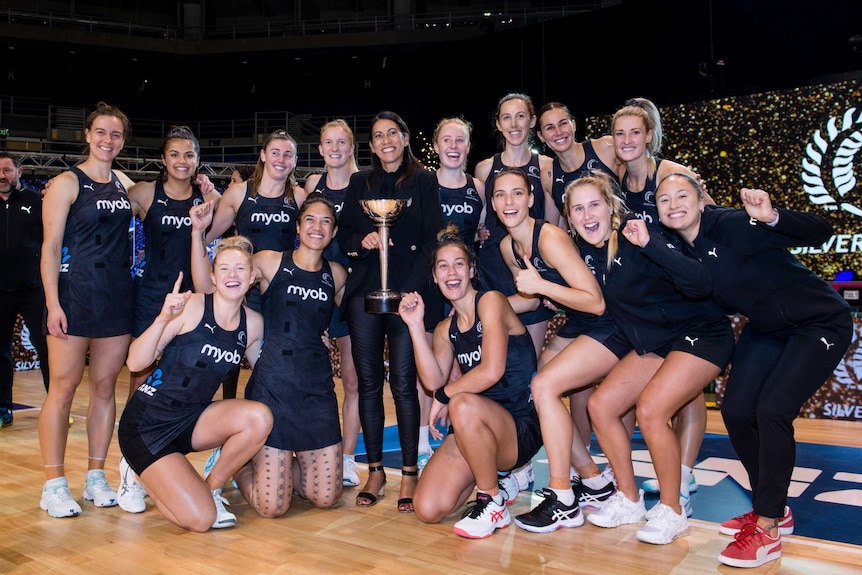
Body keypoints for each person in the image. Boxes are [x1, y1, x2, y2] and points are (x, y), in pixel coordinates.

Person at [654, 173, 852, 567]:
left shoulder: (730, 224)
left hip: (819, 323)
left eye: (681, 195)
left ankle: (767, 526)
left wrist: (772, 216)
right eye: (664, 200)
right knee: (737, 411)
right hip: (767, 329)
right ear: (657, 212)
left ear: (700, 200)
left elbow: (823, 229)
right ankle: (773, 505)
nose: (674, 204)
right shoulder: (679, 250)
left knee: (772, 410)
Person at [564, 172, 734, 546]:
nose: (587, 214)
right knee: (601, 405)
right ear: (570, 218)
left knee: (652, 410)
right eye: (578, 209)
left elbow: (699, 283)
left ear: (611, 208)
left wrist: (649, 244)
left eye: (594, 204)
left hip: (701, 334)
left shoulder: (635, 235)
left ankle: (673, 510)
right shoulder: (585, 253)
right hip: (658, 343)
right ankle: (628, 498)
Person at [476, 167, 618, 534]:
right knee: (535, 391)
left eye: (517, 193)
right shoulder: (509, 246)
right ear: (492, 202)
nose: (508, 201)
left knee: (544, 387)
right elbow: (529, 298)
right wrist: (484, 308)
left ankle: (562, 497)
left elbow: (595, 301)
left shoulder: (550, 238)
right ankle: (594, 481)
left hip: (610, 322)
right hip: (579, 323)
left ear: (530, 199)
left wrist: (544, 287)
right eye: (500, 195)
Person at [191, 194, 347, 517]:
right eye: (310, 220)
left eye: (326, 222)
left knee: (326, 497)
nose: (317, 227)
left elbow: (347, 321)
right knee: (272, 507)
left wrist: (329, 337)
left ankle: (277, 470)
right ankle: (237, 463)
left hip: (316, 391)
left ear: (333, 232)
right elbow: (209, 285)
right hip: (273, 386)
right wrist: (197, 235)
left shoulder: (338, 275)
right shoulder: (269, 262)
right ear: (297, 225)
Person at [117, 238, 271, 531]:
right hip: (147, 425)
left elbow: (266, 370)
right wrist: (163, 319)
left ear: (251, 278)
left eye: (240, 269)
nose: (232, 275)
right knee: (201, 521)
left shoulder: (253, 324)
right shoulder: (190, 306)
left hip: (191, 420)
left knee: (259, 417)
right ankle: (139, 471)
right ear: (213, 277)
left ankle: (211, 488)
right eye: (224, 269)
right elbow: (135, 364)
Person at [401, 224, 542, 539]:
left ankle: (491, 499)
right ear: (435, 278)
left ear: (471, 269)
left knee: (461, 402)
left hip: (519, 428)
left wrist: (444, 396)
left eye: (459, 264)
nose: (451, 272)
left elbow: (491, 371)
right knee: (427, 508)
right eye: (443, 267)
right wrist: (414, 325)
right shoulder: (444, 329)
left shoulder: (491, 302)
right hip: (474, 425)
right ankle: (498, 482)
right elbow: (432, 380)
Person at [338, 111, 442, 513]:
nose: (386, 141)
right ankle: (376, 471)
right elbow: (344, 232)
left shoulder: (424, 180)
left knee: (402, 383)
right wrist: (360, 241)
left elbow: (433, 238)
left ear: (404, 137)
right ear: (372, 144)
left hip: (409, 294)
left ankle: (410, 472)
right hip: (365, 292)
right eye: (378, 135)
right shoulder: (357, 183)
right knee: (367, 383)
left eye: (392, 133)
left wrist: (410, 292)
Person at [37, 102, 138, 518]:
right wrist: (52, 303)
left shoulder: (125, 183)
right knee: (61, 391)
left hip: (116, 298)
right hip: (75, 296)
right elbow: (48, 250)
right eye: (101, 132)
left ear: (122, 141)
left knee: (104, 390)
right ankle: (53, 483)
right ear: (87, 135)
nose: (107, 140)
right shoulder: (65, 183)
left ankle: (96, 475)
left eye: (115, 134)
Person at [613, 97, 713, 507]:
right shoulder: (619, 178)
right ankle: (671, 473)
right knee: (667, 395)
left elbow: (705, 220)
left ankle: (684, 476)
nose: (627, 140)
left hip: (689, 296)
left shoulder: (673, 175)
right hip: (654, 303)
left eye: (636, 132)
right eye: (620, 133)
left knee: (688, 393)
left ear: (650, 136)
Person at [200, 129, 306, 477]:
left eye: (288, 155)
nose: (281, 160)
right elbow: (208, 235)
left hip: (285, 302)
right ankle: (229, 446)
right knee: (254, 371)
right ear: (263, 155)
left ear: (294, 161)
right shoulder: (240, 193)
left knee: (279, 373)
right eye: (275, 153)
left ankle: (273, 446)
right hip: (247, 301)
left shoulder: (298, 197)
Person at [534, 101, 623, 488]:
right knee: (546, 385)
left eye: (563, 123)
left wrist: (691, 191)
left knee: (618, 399)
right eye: (549, 127)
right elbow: (559, 226)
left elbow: (643, 166)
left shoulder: (604, 147)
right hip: (589, 293)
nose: (558, 132)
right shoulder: (549, 172)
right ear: (542, 136)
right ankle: (590, 476)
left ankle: (615, 479)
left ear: (575, 123)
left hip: (621, 282)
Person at [473, 92, 556, 492]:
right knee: (497, 368)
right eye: (506, 117)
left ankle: (526, 459)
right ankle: (510, 459)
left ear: (531, 120)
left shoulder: (547, 166)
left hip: (530, 267)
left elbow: (553, 220)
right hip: (493, 267)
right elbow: (482, 220)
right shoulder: (485, 166)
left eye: (521, 116)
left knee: (528, 371)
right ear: (499, 123)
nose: (514, 124)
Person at [414, 116, 488, 475]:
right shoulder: (424, 184)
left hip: (464, 285)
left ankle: (465, 437)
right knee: (428, 367)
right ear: (437, 145)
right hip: (432, 285)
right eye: (447, 140)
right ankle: (420, 445)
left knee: (468, 367)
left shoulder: (479, 186)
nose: (454, 147)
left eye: (461, 140)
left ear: (468, 146)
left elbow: (485, 231)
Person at [126, 126, 216, 402]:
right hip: (152, 295)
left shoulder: (209, 199)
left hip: (193, 298)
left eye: (189, 155)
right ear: (163, 159)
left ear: (198, 161)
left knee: (185, 370)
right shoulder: (143, 193)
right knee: (142, 369)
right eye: (174, 154)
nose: (182, 161)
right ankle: (134, 431)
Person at [304, 119, 362, 487]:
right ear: (321, 149)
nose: (336, 148)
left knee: (354, 380)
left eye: (342, 142)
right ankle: (308, 447)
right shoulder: (312, 185)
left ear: (352, 146)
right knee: (312, 378)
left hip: (354, 292)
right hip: (320, 291)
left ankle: (349, 458)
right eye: (329, 142)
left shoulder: (366, 183)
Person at [0, 151, 50, 428]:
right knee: (0, 351)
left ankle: (56, 405)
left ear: (19, 173)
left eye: (7, 170)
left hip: (34, 288)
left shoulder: (37, 202)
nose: (1, 176)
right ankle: (3, 408)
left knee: (47, 347)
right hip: (0, 291)